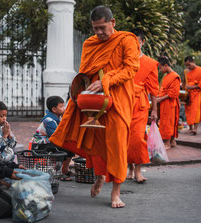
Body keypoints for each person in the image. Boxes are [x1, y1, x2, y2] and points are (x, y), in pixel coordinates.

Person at [50, 5, 140, 208]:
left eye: (102, 28)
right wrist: (78, 94)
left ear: (112, 23)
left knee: (117, 143)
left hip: (118, 101)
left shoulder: (126, 40)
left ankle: (116, 192)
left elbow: (131, 69)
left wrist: (107, 79)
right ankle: (100, 175)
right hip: (93, 101)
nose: (98, 33)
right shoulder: (90, 43)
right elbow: (84, 72)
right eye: (95, 28)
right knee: (95, 140)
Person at [127, 28, 159, 183]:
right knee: (124, 138)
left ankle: (138, 170)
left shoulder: (150, 64)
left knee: (138, 138)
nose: (134, 45)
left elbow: (154, 89)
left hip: (140, 105)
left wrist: (154, 110)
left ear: (143, 42)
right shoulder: (123, 60)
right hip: (123, 102)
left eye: (137, 41)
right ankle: (130, 168)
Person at [30, 96, 75, 181]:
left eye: (64, 106)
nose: (64, 109)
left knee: (71, 147)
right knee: (62, 148)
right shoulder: (49, 120)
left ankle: (65, 169)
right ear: (54, 109)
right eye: (61, 107)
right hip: (40, 145)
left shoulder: (57, 119)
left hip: (48, 142)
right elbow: (57, 137)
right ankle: (58, 173)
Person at [157, 57, 181, 149]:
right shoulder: (166, 76)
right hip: (164, 102)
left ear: (166, 65)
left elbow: (174, 93)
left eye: (160, 67)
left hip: (169, 103)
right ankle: (172, 141)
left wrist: (160, 99)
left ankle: (167, 143)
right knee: (165, 122)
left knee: (167, 122)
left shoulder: (175, 76)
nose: (160, 70)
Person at [183, 56, 201, 135]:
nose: (188, 67)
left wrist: (192, 87)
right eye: (187, 65)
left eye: (189, 65)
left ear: (193, 62)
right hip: (188, 94)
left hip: (196, 94)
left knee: (196, 111)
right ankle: (190, 128)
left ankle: (195, 129)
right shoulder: (186, 71)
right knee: (188, 111)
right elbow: (184, 82)